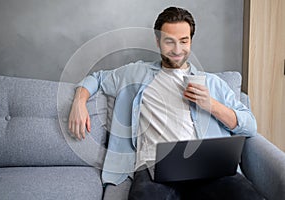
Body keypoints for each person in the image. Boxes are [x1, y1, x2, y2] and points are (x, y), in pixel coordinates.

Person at [69, 7, 264, 200]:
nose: (177, 50)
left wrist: (211, 104)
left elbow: (250, 126)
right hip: (153, 168)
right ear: (157, 41)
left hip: (207, 168)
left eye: (183, 41)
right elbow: (97, 79)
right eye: (169, 41)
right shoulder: (136, 73)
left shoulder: (213, 83)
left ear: (191, 41)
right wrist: (79, 101)